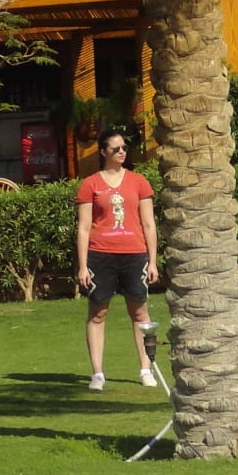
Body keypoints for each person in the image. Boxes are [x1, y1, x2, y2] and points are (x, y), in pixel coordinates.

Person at [74, 129, 159, 392]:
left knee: (140, 312)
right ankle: (98, 374)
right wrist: (83, 265)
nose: (121, 152)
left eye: (124, 147)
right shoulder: (90, 184)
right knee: (98, 313)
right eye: (115, 149)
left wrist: (153, 261)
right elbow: (84, 228)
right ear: (103, 152)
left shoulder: (139, 182)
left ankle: (146, 369)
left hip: (134, 255)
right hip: (101, 255)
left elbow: (148, 223)